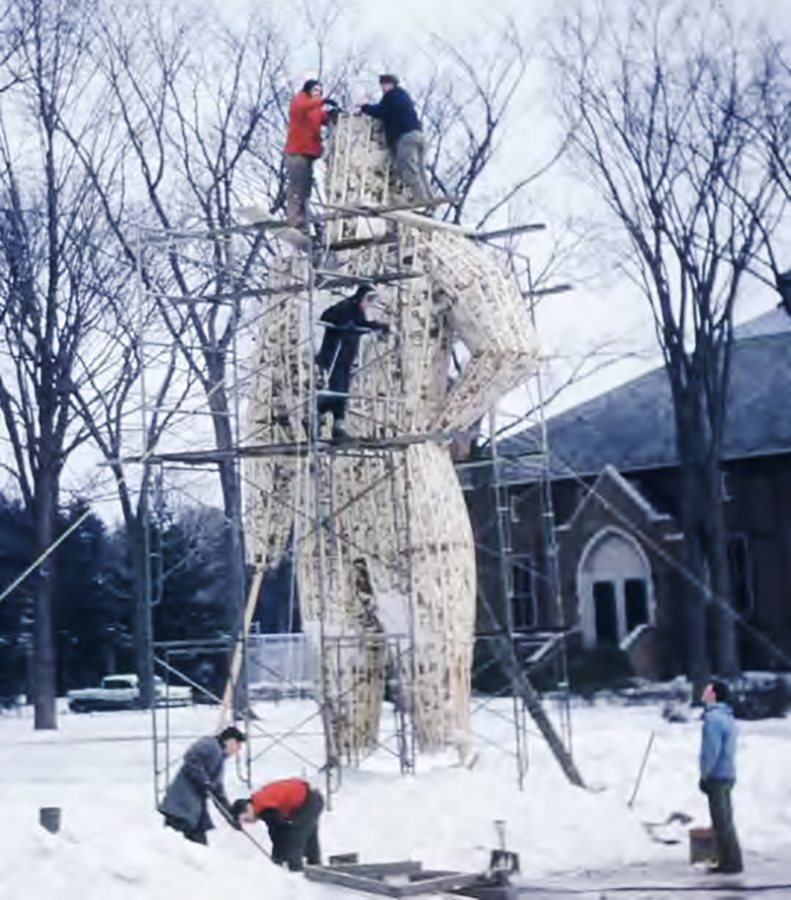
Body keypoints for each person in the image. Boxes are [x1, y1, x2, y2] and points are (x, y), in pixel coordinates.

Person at [315, 285, 389, 441]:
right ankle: (319, 411)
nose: (368, 305)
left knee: (342, 393)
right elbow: (326, 316)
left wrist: (379, 326)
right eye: (368, 301)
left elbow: (362, 325)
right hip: (334, 355)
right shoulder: (346, 307)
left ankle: (336, 425)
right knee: (338, 391)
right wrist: (344, 324)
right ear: (363, 298)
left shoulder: (357, 312)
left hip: (345, 358)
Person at [159, 725, 245, 846]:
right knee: (179, 847)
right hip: (181, 807)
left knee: (199, 847)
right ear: (230, 740)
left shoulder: (219, 760)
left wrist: (231, 817)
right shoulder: (210, 744)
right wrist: (203, 781)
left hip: (194, 814)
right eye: (238, 745)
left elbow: (218, 793)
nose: (238, 750)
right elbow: (191, 758)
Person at [359, 74, 432, 203]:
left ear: (389, 84)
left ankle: (421, 202)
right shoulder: (403, 96)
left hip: (406, 137)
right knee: (420, 170)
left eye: (383, 85)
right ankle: (430, 199)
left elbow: (382, 111)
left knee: (408, 170)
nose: (382, 88)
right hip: (418, 135)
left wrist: (365, 107)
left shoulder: (392, 96)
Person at [231, 778, 324, 871]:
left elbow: (279, 833)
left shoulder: (264, 807)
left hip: (308, 801)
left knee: (295, 838)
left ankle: (296, 871)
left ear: (247, 808)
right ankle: (315, 864)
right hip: (310, 798)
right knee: (307, 834)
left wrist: (277, 859)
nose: (249, 822)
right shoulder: (259, 801)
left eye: (247, 819)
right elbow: (279, 831)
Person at [699, 679, 743, 874]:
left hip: (717, 775)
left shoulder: (713, 719)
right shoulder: (727, 717)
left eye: (707, 690)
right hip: (728, 773)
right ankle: (729, 859)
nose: (704, 693)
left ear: (714, 695)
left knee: (721, 821)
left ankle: (730, 863)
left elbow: (711, 750)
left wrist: (705, 774)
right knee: (725, 819)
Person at [284, 80, 339, 231]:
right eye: (315, 90)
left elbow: (323, 117)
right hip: (297, 152)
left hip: (309, 153)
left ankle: (303, 223)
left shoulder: (315, 109)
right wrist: (322, 101)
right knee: (297, 188)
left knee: (305, 189)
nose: (318, 93)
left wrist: (332, 115)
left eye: (320, 91)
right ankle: (295, 221)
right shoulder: (300, 102)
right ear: (307, 91)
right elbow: (302, 107)